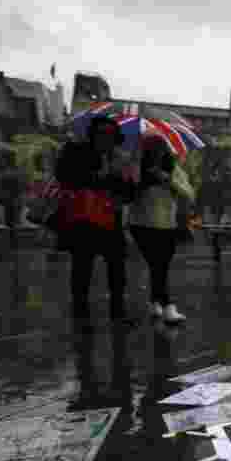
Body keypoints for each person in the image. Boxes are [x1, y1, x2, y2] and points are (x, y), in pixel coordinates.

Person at [55, 115, 136, 327]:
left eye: (110, 134)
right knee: (82, 269)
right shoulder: (76, 151)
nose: (105, 138)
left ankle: (118, 314)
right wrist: (100, 176)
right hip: (84, 219)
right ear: (92, 134)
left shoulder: (119, 158)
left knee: (117, 270)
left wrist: (124, 178)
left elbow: (128, 194)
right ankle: (81, 316)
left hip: (111, 220)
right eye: (101, 133)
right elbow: (64, 176)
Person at [128, 134, 196, 324]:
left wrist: (168, 180)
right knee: (158, 265)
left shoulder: (173, 169)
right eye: (152, 150)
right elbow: (127, 193)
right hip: (141, 224)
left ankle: (155, 302)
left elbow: (189, 193)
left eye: (160, 149)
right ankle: (167, 307)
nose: (157, 153)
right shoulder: (137, 168)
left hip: (167, 224)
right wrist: (140, 180)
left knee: (159, 266)